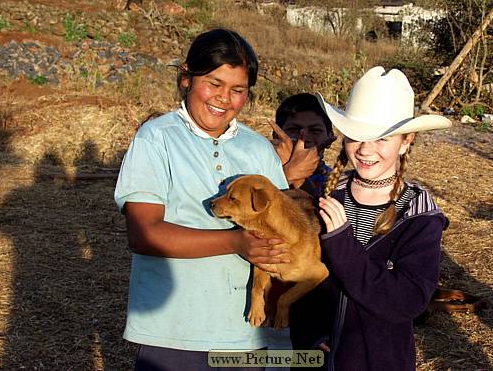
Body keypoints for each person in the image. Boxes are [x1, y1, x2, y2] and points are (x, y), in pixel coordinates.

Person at [114, 28, 290, 370]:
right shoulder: (156, 139)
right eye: (213, 83)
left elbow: (280, 234)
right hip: (173, 333)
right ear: (186, 78)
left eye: (238, 90)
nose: (223, 98)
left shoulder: (258, 150)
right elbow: (143, 233)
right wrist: (236, 242)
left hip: (246, 335)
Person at [290, 66, 452, 371]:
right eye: (356, 136)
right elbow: (302, 277)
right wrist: (311, 334)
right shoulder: (328, 195)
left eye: (382, 139)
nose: (365, 149)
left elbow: (407, 301)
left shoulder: (418, 214)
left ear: (407, 141)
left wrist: (341, 243)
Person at [270, 93, 336, 197]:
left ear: (330, 137)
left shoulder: (336, 183)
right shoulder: (257, 169)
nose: (304, 139)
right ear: (276, 135)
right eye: (294, 130)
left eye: (315, 130)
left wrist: (295, 175)